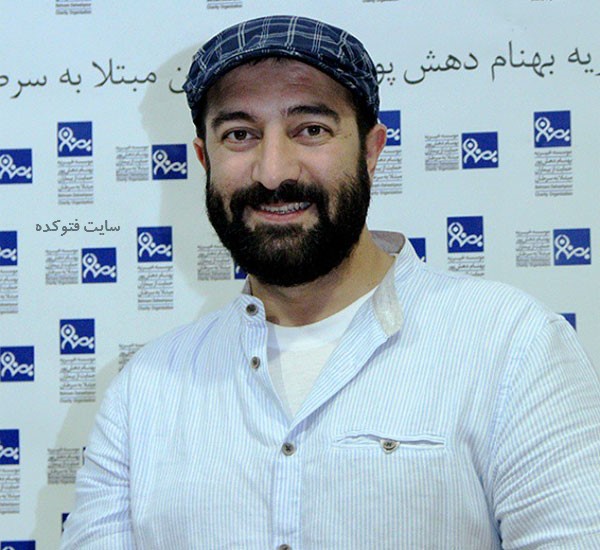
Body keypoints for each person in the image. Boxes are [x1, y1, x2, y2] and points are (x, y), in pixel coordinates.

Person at [61, 15, 600, 549]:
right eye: (240, 135)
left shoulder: (512, 347)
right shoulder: (144, 392)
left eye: (311, 130)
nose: (273, 171)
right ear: (205, 159)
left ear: (371, 150)